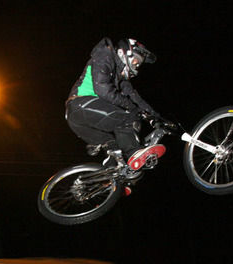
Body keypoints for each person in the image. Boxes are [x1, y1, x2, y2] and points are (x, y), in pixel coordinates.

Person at [65, 37, 166, 171]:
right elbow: (102, 89)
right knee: (129, 118)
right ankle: (134, 152)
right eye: (136, 61)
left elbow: (135, 98)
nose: (136, 66)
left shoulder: (119, 78)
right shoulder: (105, 55)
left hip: (80, 118)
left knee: (115, 148)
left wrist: (157, 117)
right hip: (81, 104)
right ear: (124, 53)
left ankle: (111, 177)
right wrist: (132, 109)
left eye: (138, 65)